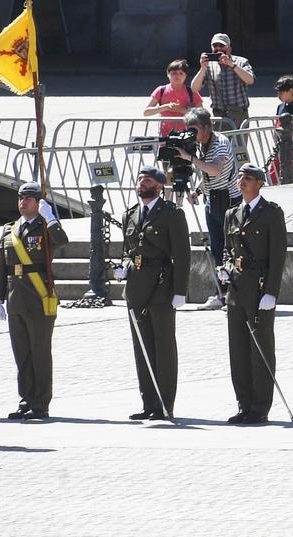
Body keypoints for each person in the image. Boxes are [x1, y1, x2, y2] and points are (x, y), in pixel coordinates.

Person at [116, 164, 188, 420]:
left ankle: (165, 403)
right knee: (142, 346)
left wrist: (180, 290)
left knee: (163, 346)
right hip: (136, 285)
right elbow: (128, 249)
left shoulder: (171, 214)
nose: (141, 184)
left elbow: (182, 254)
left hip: (161, 285)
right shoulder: (131, 214)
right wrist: (124, 265)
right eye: (139, 180)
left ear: (159, 187)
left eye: (146, 181)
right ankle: (149, 403)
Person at [219, 161, 289, 424]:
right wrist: (225, 268)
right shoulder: (232, 214)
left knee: (260, 348)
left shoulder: (271, 213)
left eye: (248, 178)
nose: (242, 181)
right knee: (237, 349)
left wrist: (272, 291)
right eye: (240, 177)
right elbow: (228, 249)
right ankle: (243, 403)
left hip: (259, 287)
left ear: (260, 183)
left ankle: (260, 406)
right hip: (236, 288)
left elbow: (278, 254)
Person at [0, 180, 64, 421]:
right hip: (15, 298)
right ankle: (25, 398)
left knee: (40, 351)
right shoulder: (9, 229)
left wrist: (51, 218)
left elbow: (62, 241)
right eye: (21, 198)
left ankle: (41, 402)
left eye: (29, 199)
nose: (23, 202)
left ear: (39, 202)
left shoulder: (46, 226)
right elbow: (1, 267)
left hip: (39, 296)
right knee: (21, 353)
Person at [182, 107, 236, 305]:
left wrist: (190, 159)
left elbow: (215, 170)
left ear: (207, 127)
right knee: (216, 249)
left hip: (229, 202)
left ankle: (233, 293)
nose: (191, 133)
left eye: (194, 129)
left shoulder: (220, 143)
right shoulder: (201, 144)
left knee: (230, 249)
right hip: (212, 201)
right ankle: (220, 293)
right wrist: (198, 190)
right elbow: (208, 175)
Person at [197, 32, 255, 125]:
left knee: (239, 140)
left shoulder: (241, 62)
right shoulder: (208, 66)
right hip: (219, 116)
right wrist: (202, 68)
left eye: (222, 45)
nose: (218, 48)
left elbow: (250, 80)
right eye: (215, 46)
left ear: (229, 48)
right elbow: (195, 88)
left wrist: (231, 64)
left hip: (239, 115)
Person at [144, 59, 204, 138]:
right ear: (168, 74)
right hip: (165, 135)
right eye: (174, 73)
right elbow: (146, 112)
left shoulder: (192, 91)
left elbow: (202, 114)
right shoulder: (161, 90)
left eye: (181, 73)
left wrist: (180, 109)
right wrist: (165, 107)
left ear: (186, 75)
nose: (177, 76)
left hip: (187, 135)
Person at [269, 76, 293, 183]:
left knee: (290, 175)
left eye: (281, 92)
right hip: (278, 146)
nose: (278, 95)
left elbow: (292, 129)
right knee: (273, 173)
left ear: (291, 91)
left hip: (291, 147)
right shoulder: (280, 106)